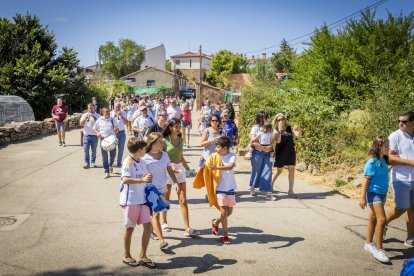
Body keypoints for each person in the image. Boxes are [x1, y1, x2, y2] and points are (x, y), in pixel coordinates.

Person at [119, 137, 155, 268]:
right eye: (144, 148)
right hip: (131, 200)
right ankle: (127, 255)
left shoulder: (142, 161)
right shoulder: (128, 162)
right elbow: (125, 179)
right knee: (130, 228)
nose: (146, 150)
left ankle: (143, 256)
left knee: (148, 227)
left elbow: (146, 176)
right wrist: (142, 180)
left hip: (143, 200)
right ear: (139, 150)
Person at [162, 118, 199, 237]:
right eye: (176, 126)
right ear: (170, 128)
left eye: (179, 126)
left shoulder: (181, 139)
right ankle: (164, 222)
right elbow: (162, 157)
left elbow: (181, 156)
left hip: (180, 170)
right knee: (166, 199)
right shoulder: (164, 141)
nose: (178, 128)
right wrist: (171, 168)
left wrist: (188, 170)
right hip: (168, 169)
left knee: (183, 200)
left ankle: (187, 228)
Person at [143, 132, 179, 249]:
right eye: (160, 142)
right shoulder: (144, 157)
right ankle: (162, 241)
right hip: (151, 190)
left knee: (156, 214)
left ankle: (152, 231)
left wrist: (176, 183)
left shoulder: (164, 155)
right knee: (155, 214)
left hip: (163, 188)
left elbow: (169, 170)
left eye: (162, 142)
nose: (162, 144)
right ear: (152, 143)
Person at [359, 137, 390, 263]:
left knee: (373, 218)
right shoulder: (372, 162)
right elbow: (366, 180)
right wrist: (362, 198)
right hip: (373, 194)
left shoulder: (383, 160)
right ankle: (379, 250)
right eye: (386, 146)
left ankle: (368, 244)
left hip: (382, 194)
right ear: (378, 148)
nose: (388, 148)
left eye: (388, 146)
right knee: (382, 219)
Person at [385, 111, 414, 247]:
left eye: (404, 121)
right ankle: (381, 223)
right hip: (401, 178)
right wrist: (411, 163)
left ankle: (410, 238)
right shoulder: (395, 136)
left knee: (412, 208)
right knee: (401, 208)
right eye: (399, 121)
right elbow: (389, 158)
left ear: (412, 123)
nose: (401, 124)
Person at [207, 136, 237, 244]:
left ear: (225, 148)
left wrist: (217, 168)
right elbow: (206, 167)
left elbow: (230, 166)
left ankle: (215, 222)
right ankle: (225, 236)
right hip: (219, 188)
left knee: (229, 212)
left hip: (230, 187)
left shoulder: (232, 156)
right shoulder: (214, 157)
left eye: (218, 147)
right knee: (224, 212)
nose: (216, 149)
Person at [271, 113, 301, 197]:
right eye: (279, 119)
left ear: (285, 119)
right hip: (281, 152)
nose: (281, 121)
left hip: (290, 151)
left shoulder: (289, 127)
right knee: (279, 170)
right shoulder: (275, 129)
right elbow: (278, 141)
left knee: (291, 169)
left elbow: (298, 136)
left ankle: (290, 190)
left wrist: (299, 129)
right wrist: (280, 131)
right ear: (276, 121)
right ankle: (271, 184)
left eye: (282, 119)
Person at [250, 121, 276, 201]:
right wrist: (261, 147)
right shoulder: (256, 129)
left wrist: (269, 147)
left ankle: (268, 192)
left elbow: (272, 143)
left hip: (267, 153)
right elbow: (252, 141)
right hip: (258, 152)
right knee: (257, 171)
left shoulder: (270, 133)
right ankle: (253, 187)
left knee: (268, 171)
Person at [93, 107, 119, 179]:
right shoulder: (99, 120)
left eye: (109, 111)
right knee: (104, 157)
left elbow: (117, 130)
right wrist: (97, 133)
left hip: (112, 140)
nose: (108, 113)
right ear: (103, 112)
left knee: (113, 156)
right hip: (103, 140)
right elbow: (94, 128)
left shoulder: (112, 120)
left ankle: (110, 165)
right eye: (107, 111)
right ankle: (106, 171)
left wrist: (116, 130)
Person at [79, 103, 100, 168]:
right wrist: (86, 118)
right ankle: (86, 163)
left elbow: (99, 125)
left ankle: (93, 162)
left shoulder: (98, 115)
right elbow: (81, 124)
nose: (90, 109)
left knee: (94, 150)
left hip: (94, 135)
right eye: (89, 108)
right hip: (86, 135)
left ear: (94, 108)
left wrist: (94, 117)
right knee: (86, 149)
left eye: (91, 108)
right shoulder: (85, 115)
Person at [111, 103, 128, 167]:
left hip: (121, 133)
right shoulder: (110, 113)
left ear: (120, 107)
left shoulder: (123, 113)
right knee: (113, 149)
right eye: (116, 107)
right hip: (113, 133)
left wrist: (121, 116)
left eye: (118, 107)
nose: (117, 108)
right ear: (114, 107)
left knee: (121, 149)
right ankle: (111, 162)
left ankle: (119, 162)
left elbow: (126, 123)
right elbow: (108, 123)